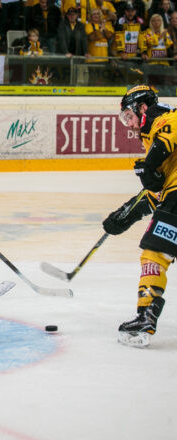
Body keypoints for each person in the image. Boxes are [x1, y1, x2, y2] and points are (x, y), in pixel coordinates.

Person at [102, 85, 176, 348]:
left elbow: (167, 139)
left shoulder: (167, 118)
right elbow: (156, 190)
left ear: (143, 108)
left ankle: (146, 317)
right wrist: (126, 214)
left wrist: (149, 164)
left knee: (154, 252)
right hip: (172, 196)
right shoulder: (153, 136)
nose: (128, 124)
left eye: (129, 116)